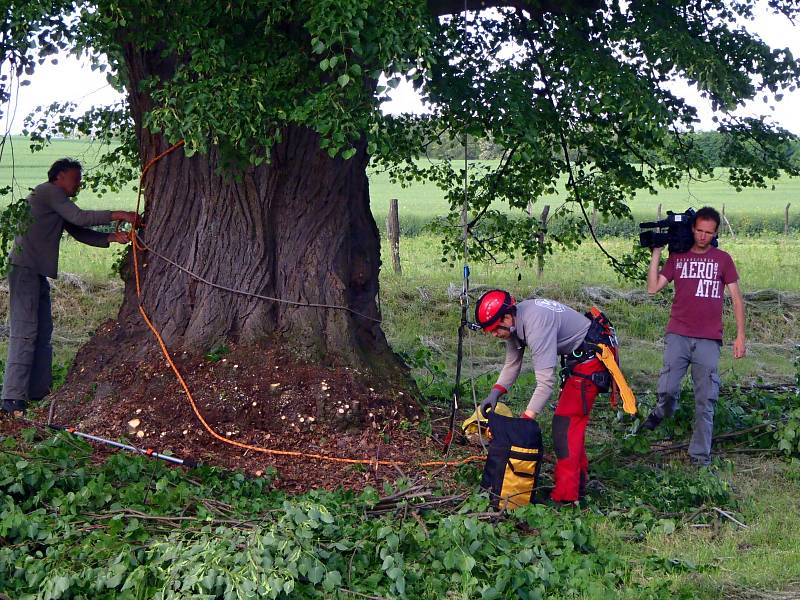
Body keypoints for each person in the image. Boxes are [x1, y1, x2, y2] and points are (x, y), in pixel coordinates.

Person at [1, 158, 138, 416]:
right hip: (25, 270)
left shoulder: (56, 202)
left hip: (35, 272)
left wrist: (111, 237)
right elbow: (80, 217)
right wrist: (118, 214)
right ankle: (12, 399)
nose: (79, 184)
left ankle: (38, 391)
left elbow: (77, 230)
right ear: (60, 176)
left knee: (43, 332)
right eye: (75, 178)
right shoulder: (49, 192)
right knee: (26, 331)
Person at [475, 290, 611, 503]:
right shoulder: (515, 322)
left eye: (495, 330)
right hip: (580, 359)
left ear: (507, 317)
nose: (494, 335)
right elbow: (512, 363)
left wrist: (527, 419)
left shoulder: (536, 324)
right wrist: (495, 392)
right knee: (569, 425)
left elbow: (546, 382)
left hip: (591, 360)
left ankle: (566, 497)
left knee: (565, 426)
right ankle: (579, 483)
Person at [642, 206, 746, 466]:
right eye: (699, 230)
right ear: (692, 228)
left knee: (705, 398)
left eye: (708, 232)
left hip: (709, 339)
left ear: (715, 233)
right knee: (666, 389)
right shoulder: (678, 257)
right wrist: (656, 251)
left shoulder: (723, 259)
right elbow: (653, 288)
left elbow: (736, 298)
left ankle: (699, 457)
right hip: (678, 333)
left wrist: (740, 336)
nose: (702, 236)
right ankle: (661, 412)